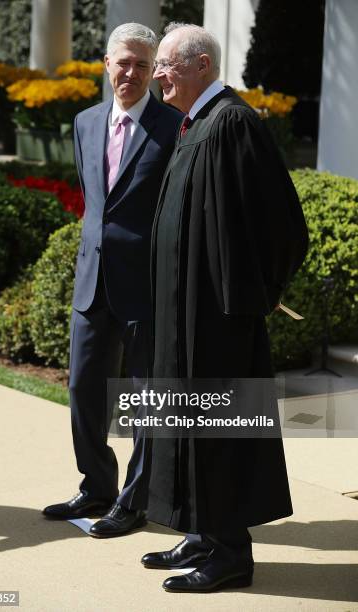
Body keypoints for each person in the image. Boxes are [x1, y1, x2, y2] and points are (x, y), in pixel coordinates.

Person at [141, 23, 309, 592]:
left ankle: (231, 551)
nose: (157, 74)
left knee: (217, 428)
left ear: (202, 67)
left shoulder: (232, 123)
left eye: (166, 64)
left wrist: (253, 295)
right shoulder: (197, 124)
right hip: (182, 317)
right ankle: (203, 531)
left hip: (217, 322)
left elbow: (284, 224)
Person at [43, 23, 182, 538]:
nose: (132, 72)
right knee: (83, 389)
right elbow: (93, 204)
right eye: (124, 62)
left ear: (154, 71)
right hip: (92, 281)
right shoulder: (84, 122)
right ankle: (96, 485)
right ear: (107, 63)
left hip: (144, 286)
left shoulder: (174, 128)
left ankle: (136, 500)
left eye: (143, 65)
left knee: (148, 399)